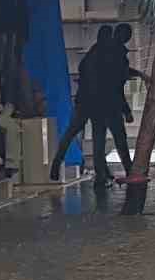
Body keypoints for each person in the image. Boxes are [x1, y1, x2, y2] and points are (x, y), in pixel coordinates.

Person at [49, 23, 146, 190]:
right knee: (116, 138)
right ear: (126, 38)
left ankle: (59, 165)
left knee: (81, 134)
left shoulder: (96, 51)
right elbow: (116, 85)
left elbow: (84, 70)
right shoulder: (117, 55)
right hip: (106, 104)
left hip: (86, 102)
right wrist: (126, 111)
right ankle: (125, 171)